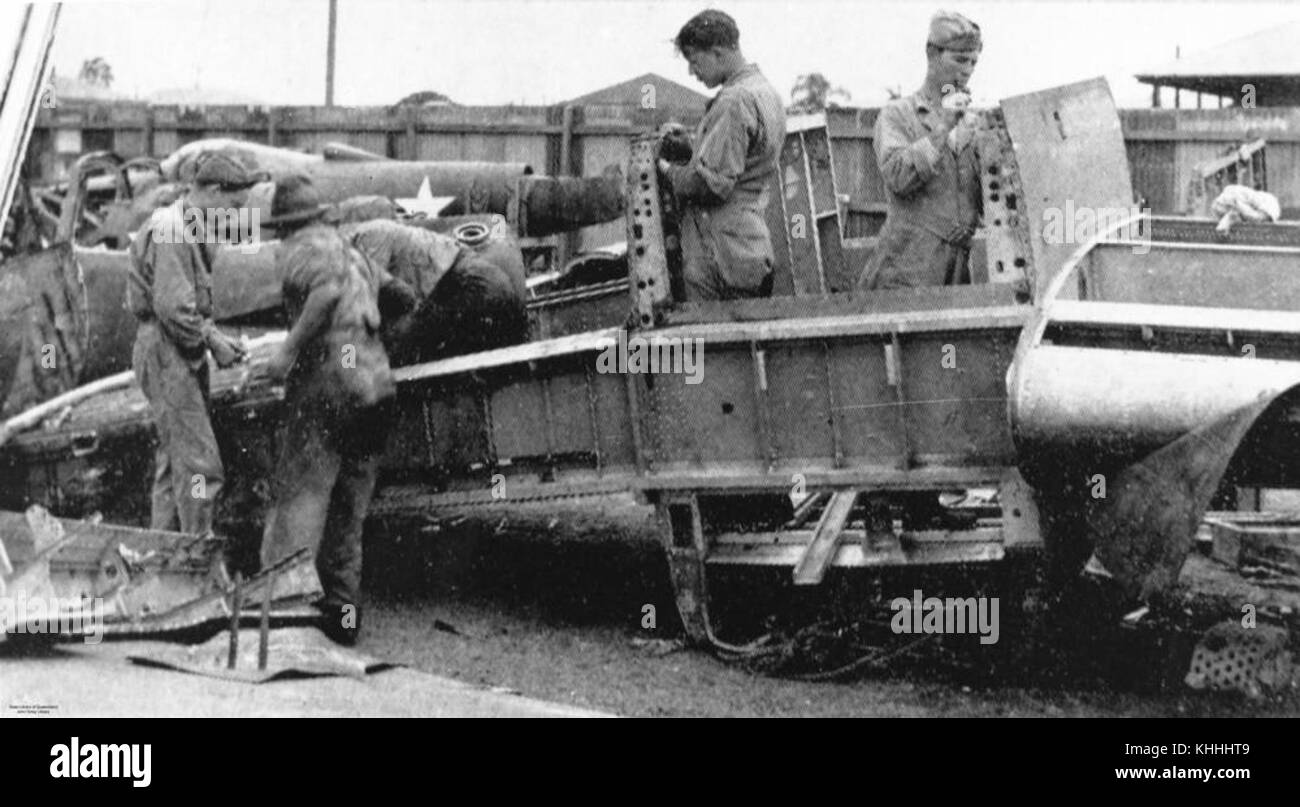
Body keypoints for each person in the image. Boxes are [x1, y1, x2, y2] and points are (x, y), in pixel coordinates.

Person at [258, 175, 418, 645]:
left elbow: (324, 294)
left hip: (327, 387)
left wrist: (286, 353)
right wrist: (375, 345)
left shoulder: (300, 249)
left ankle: (284, 615)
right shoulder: (353, 252)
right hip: (374, 389)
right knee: (349, 512)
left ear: (285, 224)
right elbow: (403, 299)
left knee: (300, 500)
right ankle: (342, 617)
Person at [125, 149, 261, 535]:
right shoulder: (173, 229)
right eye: (233, 205)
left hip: (173, 350)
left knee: (175, 465)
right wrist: (211, 339)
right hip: (167, 351)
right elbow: (172, 307)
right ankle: (198, 561)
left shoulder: (186, 227)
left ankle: (164, 561)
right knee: (201, 468)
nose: (234, 215)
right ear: (214, 191)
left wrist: (211, 337)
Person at [657, 9, 786, 302]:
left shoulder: (734, 100)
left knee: (712, 345)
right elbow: (741, 164)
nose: (692, 71)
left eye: (694, 60)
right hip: (748, 247)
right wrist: (693, 148)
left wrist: (666, 169)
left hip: (720, 257)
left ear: (716, 52)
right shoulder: (766, 92)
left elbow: (710, 184)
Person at [857, 10, 984, 291]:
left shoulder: (973, 126)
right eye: (960, 60)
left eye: (973, 62)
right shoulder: (898, 115)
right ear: (932, 54)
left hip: (955, 275)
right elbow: (898, 177)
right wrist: (944, 128)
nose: (967, 70)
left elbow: (988, 202)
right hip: (905, 272)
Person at [343, 218, 528, 364]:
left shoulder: (367, 240)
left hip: (472, 286)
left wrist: (347, 361)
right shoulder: (368, 240)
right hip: (481, 285)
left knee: (399, 346)